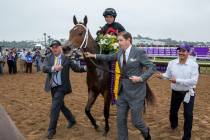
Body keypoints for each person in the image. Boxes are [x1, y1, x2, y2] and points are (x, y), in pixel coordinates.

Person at [85, 31, 155, 140]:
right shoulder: (119, 52)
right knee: (120, 120)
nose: (119, 43)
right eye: (118, 41)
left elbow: (152, 67)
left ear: (128, 40)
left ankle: (145, 131)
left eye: (121, 40)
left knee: (136, 122)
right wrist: (93, 55)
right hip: (122, 92)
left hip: (136, 93)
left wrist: (141, 78)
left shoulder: (139, 52)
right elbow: (108, 57)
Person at [42, 40, 86, 139]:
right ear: (51, 49)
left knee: (54, 107)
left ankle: (51, 130)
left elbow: (76, 68)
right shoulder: (48, 57)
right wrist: (53, 68)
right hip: (53, 86)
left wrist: (86, 68)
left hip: (62, 87)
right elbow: (44, 68)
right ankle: (71, 119)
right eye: (53, 47)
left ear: (60, 47)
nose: (55, 49)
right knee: (60, 105)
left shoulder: (66, 58)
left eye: (57, 47)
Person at [156, 44, 199, 140]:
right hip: (175, 92)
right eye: (179, 50)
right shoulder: (171, 63)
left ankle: (187, 136)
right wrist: (162, 76)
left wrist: (177, 81)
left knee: (188, 114)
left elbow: (193, 81)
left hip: (188, 93)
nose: (181, 53)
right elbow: (168, 75)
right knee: (173, 112)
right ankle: (174, 125)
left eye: (183, 51)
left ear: (188, 52)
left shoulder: (194, 65)